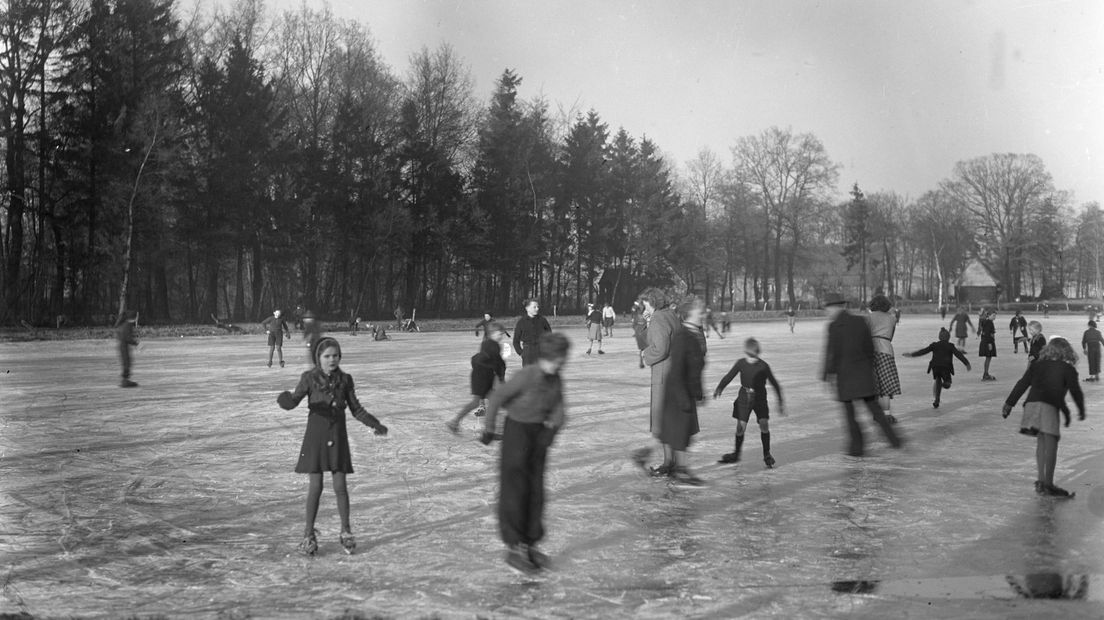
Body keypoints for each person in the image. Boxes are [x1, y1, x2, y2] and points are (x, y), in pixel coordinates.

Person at [276, 337, 389, 556]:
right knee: (315, 486)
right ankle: (308, 535)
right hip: (316, 436)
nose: (332, 360)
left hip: (338, 435)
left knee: (340, 486)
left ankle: (346, 531)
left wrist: (375, 423)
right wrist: (284, 400)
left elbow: (356, 409)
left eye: (335, 355)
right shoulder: (309, 378)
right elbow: (294, 399)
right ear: (318, 358)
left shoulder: (345, 380)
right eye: (327, 356)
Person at [480, 331, 570, 573]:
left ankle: (529, 544)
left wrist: (551, 432)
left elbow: (560, 410)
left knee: (535, 492)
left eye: (561, 360)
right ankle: (514, 548)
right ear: (546, 357)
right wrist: (489, 427)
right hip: (516, 432)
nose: (559, 364)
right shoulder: (528, 375)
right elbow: (498, 396)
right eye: (556, 360)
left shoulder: (555, 378)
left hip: (538, 435)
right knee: (515, 490)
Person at [821, 292, 903, 457]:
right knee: (875, 408)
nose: (827, 312)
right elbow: (869, 347)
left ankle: (857, 447)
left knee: (850, 414)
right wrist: (867, 365)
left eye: (828, 308)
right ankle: (894, 440)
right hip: (866, 371)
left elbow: (831, 352)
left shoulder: (835, 326)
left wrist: (827, 375)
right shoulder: (861, 321)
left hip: (846, 376)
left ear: (836, 307)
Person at [1002, 337, 1085, 497]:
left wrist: (1009, 404)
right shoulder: (1068, 369)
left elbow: (1022, 384)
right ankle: (1048, 484)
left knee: (1041, 441)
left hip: (1031, 406)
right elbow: (1074, 391)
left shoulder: (1036, 365)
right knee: (1051, 443)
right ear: (1066, 351)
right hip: (1048, 405)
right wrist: (1079, 409)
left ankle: (1041, 481)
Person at [631, 288, 681, 477]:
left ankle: (669, 462)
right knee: (669, 419)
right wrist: (643, 323)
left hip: (664, 374)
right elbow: (649, 338)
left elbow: (660, 348)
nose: (644, 307)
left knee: (662, 419)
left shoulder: (659, 318)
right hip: (673, 372)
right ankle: (671, 461)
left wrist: (646, 355)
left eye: (645, 304)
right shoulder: (670, 315)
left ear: (651, 302)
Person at [713, 337, 784, 468]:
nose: (753, 360)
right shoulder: (741, 363)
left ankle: (767, 454)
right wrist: (720, 387)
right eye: (751, 357)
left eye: (755, 356)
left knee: (764, 424)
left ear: (757, 353)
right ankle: (736, 453)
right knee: (741, 427)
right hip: (744, 397)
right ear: (747, 353)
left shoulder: (763, 366)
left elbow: (775, 384)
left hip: (760, 397)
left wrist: (780, 401)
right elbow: (729, 376)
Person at [660, 296, 708, 487]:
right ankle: (680, 470)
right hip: (677, 393)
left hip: (685, 392)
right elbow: (677, 370)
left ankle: (680, 468)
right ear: (689, 314)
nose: (702, 314)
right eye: (699, 312)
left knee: (684, 433)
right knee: (679, 432)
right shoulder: (682, 336)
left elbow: (695, 368)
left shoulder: (693, 334)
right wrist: (683, 398)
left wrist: (698, 392)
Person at [447, 323, 508, 433]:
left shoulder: (489, 344)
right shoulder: (491, 345)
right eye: (500, 334)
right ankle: (454, 422)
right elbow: (497, 363)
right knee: (476, 402)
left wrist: (499, 374)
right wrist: (501, 377)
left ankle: (486, 429)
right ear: (493, 333)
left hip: (485, 377)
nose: (501, 336)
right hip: (481, 378)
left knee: (493, 401)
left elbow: (496, 362)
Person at [903, 327, 972, 409]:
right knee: (947, 384)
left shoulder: (934, 345)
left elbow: (923, 351)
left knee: (938, 379)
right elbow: (959, 355)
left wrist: (912, 354)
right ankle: (944, 384)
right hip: (945, 367)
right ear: (948, 338)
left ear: (939, 337)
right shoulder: (950, 346)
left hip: (935, 367)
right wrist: (966, 363)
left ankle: (937, 399)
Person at [867, 295, 902, 422]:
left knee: (874, 384)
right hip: (886, 350)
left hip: (870, 351)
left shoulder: (868, 317)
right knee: (886, 386)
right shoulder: (891, 319)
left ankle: (876, 413)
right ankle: (887, 414)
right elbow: (891, 336)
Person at [513, 299, 552, 367]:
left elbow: (550, 337)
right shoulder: (521, 322)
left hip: (541, 352)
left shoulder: (543, 320)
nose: (537, 309)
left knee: (542, 375)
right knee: (528, 375)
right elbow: (515, 341)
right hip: (527, 353)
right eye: (534, 307)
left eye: (538, 307)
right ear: (527, 308)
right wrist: (521, 353)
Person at [117, 310, 139, 388]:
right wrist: (135, 342)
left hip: (123, 346)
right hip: (123, 347)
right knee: (127, 362)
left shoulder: (126, 324)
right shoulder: (127, 325)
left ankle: (125, 380)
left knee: (127, 362)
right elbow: (127, 337)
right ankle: (125, 381)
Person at [978, 308, 998, 381]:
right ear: (989, 315)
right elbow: (987, 334)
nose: (994, 317)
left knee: (988, 358)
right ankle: (985, 374)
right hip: (988, 342)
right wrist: (989, 343)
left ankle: (986, 373)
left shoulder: (986, 322)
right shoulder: (989, 322)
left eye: (995, 315)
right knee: (988, 358)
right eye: (993, 315)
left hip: (986, 341)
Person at [631, 300, 651, 369]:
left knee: (641, 348)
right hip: (645, 333)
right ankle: (648, 361)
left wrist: (636, 331)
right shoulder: (647, 316)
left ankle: (641, 362)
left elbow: (633, 325)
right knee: (648, 347)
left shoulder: (636, 316)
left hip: (638, 333)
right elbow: (649, 324)